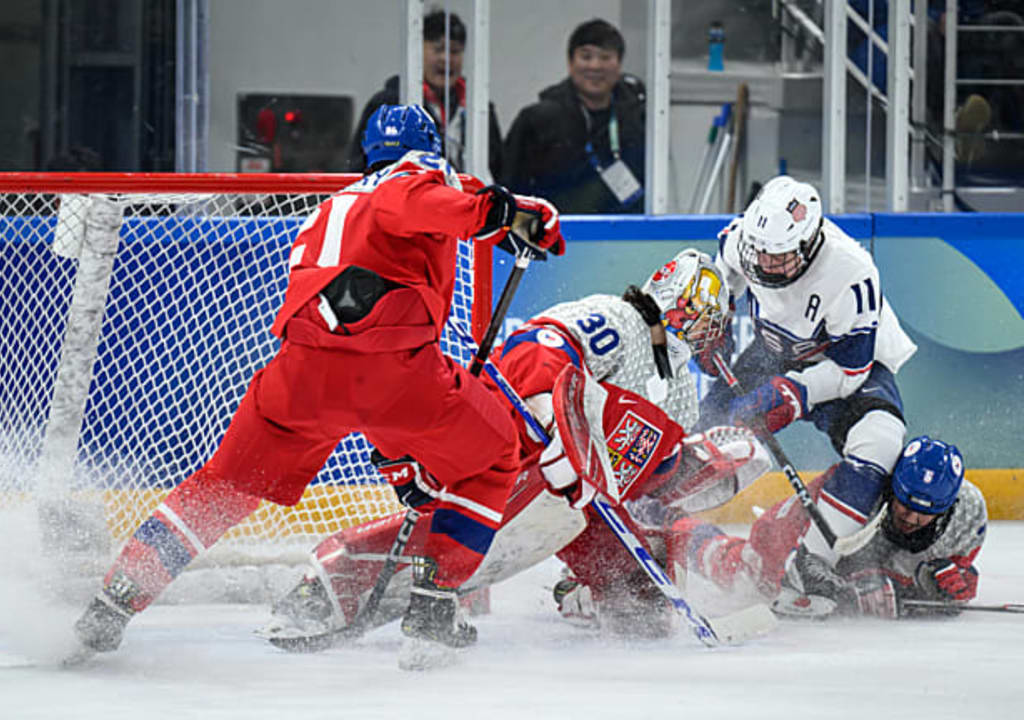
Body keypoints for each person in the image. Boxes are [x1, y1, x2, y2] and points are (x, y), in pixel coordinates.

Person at [69, 104, 565, 670]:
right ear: (430, 152)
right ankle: (433, 604)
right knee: (495, 454)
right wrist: (494, 211)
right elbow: (416, 200)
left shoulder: (336, 203)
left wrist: (511, 213)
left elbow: (402, 237)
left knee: (222, 489)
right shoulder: (412, 177)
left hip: (300, 375)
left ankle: (115, 599)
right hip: (392, 370)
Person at [261, 248, 773, 642]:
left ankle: (581, 593)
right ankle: (329, 585)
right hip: (512, 443)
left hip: (572, 494)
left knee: (638, 605)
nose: (714, 331)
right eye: (710, 317)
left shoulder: (676, 381)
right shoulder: (621, 320)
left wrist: (689, 469)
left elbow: (642, 471)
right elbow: (537, 346)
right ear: (686, 305)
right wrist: (547, 413)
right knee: (461, 527)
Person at [698, 174, 917, 573]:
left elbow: (851, 371)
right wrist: (718, 321)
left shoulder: (851, 274)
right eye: (760, 252)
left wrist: (791, 393)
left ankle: (812, 563)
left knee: (881, 441)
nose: (765, 263)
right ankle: (657, 532)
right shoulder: (744, 239)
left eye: (778, 256)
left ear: (810, 242)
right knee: (702, 434)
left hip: (843, 363)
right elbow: (723, 273)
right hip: (773, 351)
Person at [661, 436, 987, 620]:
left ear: (947, 508)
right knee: (744, 572)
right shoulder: (853, 493)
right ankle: (678, 529)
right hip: (795, 539)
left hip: (857, 563)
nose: (911, 518)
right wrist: (851, 589)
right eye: (904, 504)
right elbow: (800, 553)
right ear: (892, 487)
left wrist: (950, 578)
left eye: (924, 513)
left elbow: (953, 564)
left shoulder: (969, 513)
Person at [501, 18, 646, 214]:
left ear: (619, 64)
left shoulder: (640, 117)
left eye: (605, 57)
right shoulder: (538, 120)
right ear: (570, 63)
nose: (595, 66)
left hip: (627, 234)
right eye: (586, 57)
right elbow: (510, 185)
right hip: (557, 233)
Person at [346, 10, 504, 178]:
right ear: (417, 50)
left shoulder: (479, 109)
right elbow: (361, 168)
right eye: (438, 49)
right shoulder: (389, 106)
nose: (446, 59)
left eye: (455, 51)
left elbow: (498, 169)